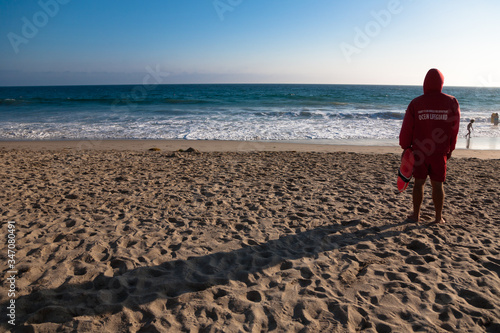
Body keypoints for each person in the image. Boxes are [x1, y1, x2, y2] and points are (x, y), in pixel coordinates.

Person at [399, 68, 460, 224]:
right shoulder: (451, 101)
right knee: (437, 185)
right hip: (440, 152)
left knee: (419, 183)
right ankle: (438, 218)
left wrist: (406, 147)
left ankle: (416, 215)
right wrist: (451, 148)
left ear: (425, 83)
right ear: (441, 83)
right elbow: (454, 127)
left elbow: (407, 127)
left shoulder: (416, 103)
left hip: (420, 151)